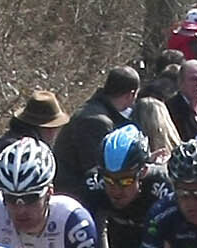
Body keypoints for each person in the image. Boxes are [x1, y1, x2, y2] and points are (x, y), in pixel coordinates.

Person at [53, 66, 144, 196]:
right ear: (131, 95)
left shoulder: (93, 110)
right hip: (73, 193)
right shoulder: (96, 122)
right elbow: (102, 170)